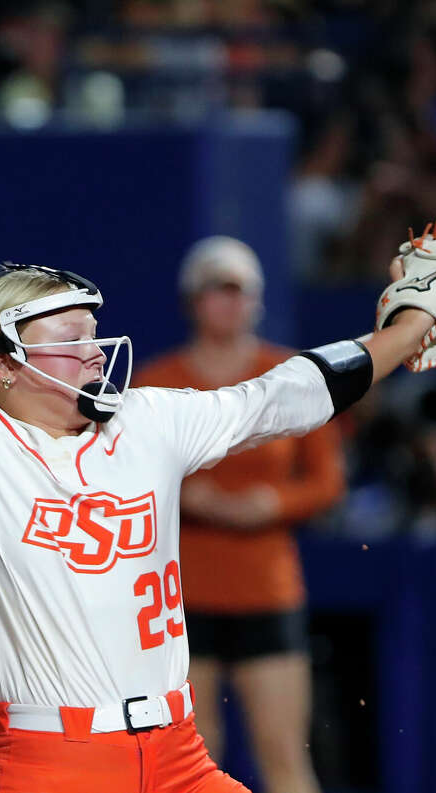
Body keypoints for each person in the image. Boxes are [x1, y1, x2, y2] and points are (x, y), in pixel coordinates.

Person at [0, 15, 436, 793]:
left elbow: (284, 396)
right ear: (4, 361)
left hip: (178, 754)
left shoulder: (146, 420)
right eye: (70, 335)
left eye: (94, 330)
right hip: (48, 762)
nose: (96, 349)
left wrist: (407, 330)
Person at [134, 237, 345, 793]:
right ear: (192, 301)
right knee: (191, 757)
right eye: (215, 290)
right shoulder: (155, 382)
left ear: (256, 299)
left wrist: (273, 504)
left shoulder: (290, 376)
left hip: (266, 590)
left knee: (284, 753)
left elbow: (327, 482)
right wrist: (181, 495)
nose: (228, 303)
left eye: (239, 291)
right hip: (182, 596)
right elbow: (122, 478)